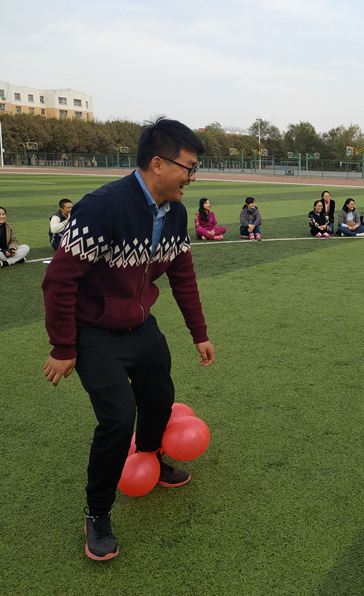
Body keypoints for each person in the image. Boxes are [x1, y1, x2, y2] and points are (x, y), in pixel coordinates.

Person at [41, 117, 215, 561]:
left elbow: (183, 276)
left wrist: (199, 333)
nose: (193, 177)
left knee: (159, 399)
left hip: (141, 327)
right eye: (189, 167)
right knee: (119, 420)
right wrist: (63, 346)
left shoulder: (175, 213)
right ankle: (97, 512)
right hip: (94, 333)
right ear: (158, 164)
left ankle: (151, 457)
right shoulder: (102, 207)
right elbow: (58, 281)